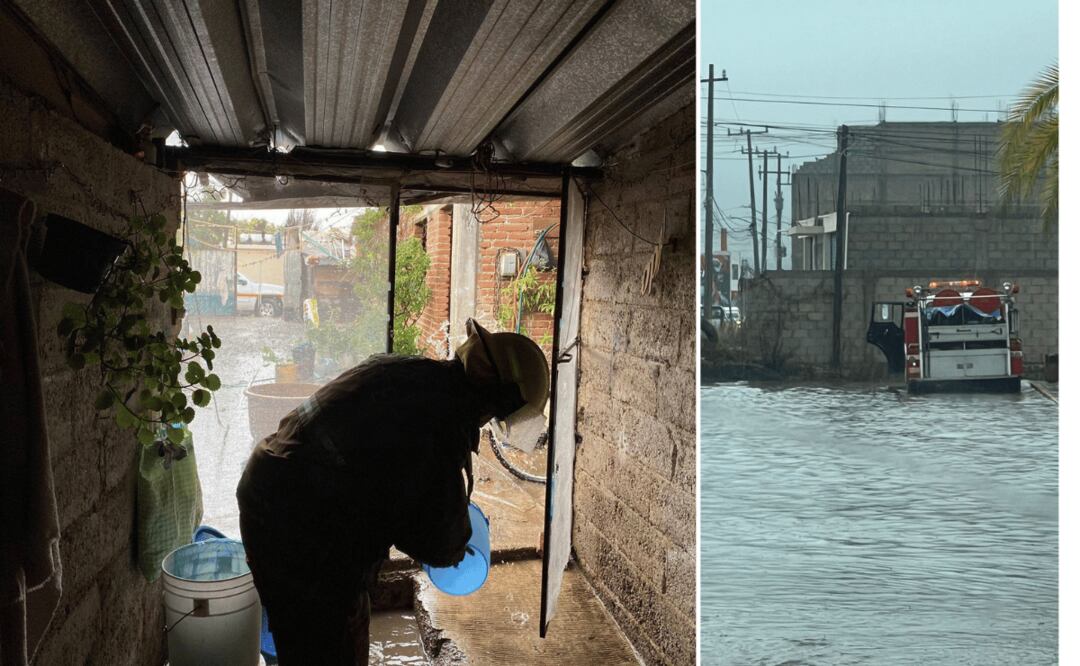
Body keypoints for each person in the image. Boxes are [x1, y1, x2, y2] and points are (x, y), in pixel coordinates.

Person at [236, 319, 549, 665]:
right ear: (494, 396)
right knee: (327, 643)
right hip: (297, 524)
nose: (491, 419)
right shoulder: (441, 420)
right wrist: (464, 532)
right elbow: (438, 544)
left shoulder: (413, 373)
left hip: (274, 491)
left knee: (316, 632)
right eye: (499, 412)